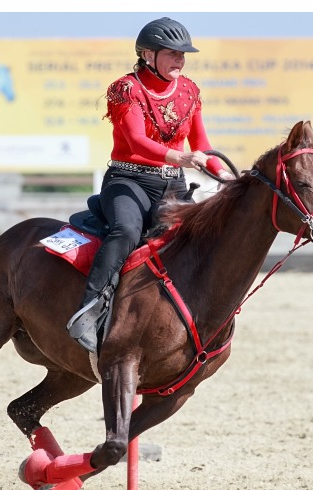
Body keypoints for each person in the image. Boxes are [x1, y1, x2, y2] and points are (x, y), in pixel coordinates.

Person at [66, 17, 234, 353]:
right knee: (126, 232)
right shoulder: (125, 89)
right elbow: (137, 141)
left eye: (183, 54)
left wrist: (229, 177)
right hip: (128, 181)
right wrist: (180, 158)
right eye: (172, 53)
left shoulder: (190, 90)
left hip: (172, 186)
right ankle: (88, 310)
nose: (180, 60)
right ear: (147, 54)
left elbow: (201, 143)